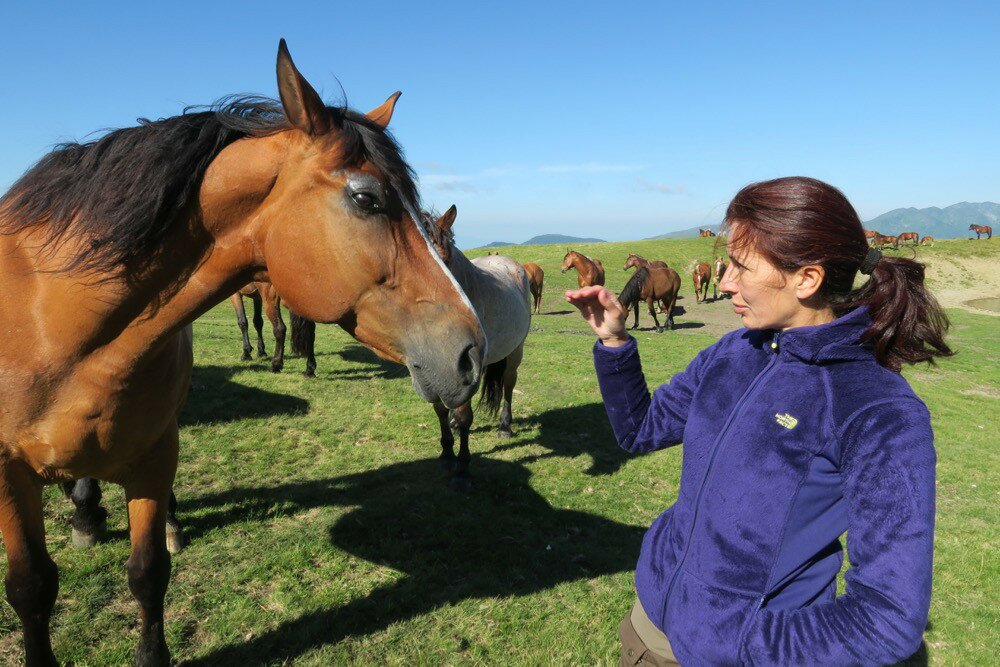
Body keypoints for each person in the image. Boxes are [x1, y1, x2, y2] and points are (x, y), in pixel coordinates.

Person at [566, 177, 952, 666]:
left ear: (807, 279)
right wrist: (614, 344)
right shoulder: (735, 351)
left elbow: (887, 619)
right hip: (648, 634)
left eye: (741, 267)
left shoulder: (878, 411)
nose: (724, 281)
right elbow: (641, 429)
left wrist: (737, 642)